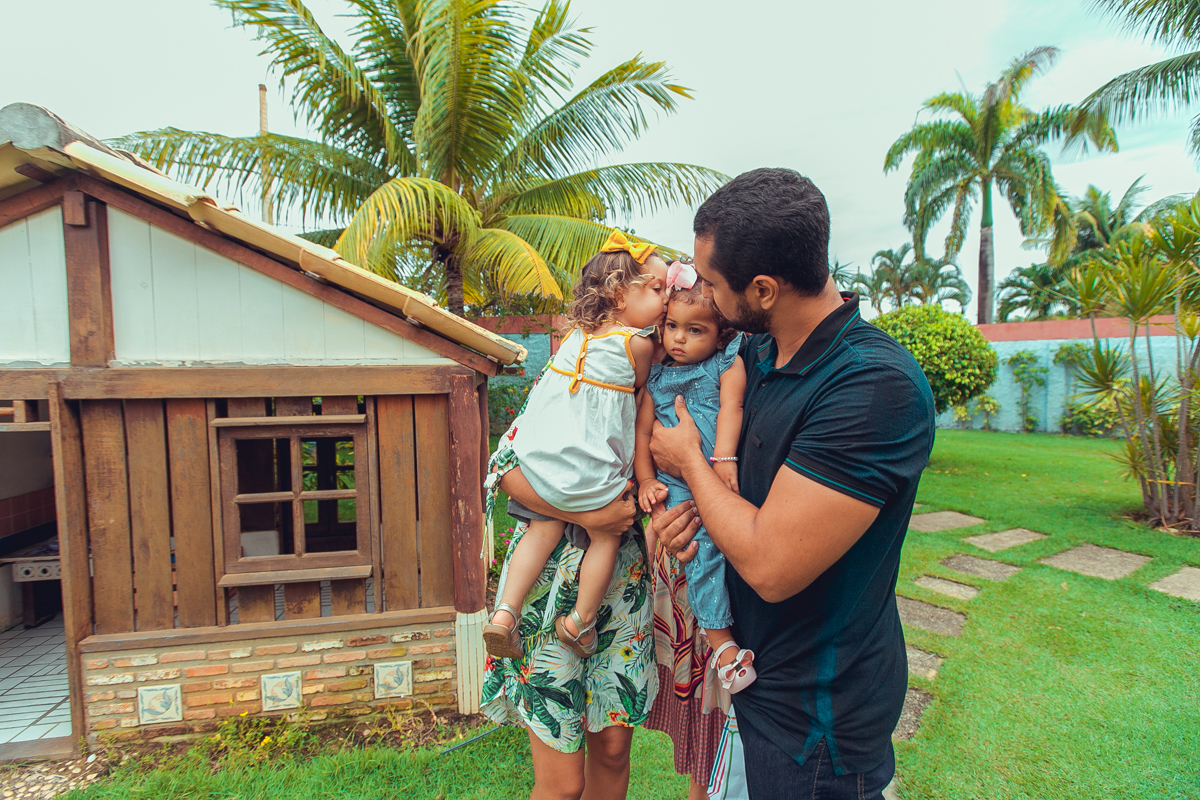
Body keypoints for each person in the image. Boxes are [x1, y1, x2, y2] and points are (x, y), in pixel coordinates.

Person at [649, 168, 936, 800]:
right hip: (754, 683)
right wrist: (688, 518)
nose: (710, 301)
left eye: (716, 287)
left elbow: (773, 563)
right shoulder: (756, 357)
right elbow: (739, 507)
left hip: (817, 723)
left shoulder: (871, 387)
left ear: (764, 288)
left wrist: (690, 465)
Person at [480, 229, 662, 800]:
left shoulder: (639, 378)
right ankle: (511, 618)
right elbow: (503, 470)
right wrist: (591, 516)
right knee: (560, 776)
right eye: (652, 287)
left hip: (619, 583)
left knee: (613, 745)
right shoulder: (561, 379)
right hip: (551, 583)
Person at [636, 268, 754, 691]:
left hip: (709, 470)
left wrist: (723, 458)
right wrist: (647, 479)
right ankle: (722, 645)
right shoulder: (657, 377)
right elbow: (643, 432)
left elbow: (732, 408)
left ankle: (716, 643)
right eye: (671, 327)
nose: (678, 339)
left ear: (721, 335)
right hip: (677, 482)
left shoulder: (727, 364)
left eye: (694, 330)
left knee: (712, 548)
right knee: (701, 551)